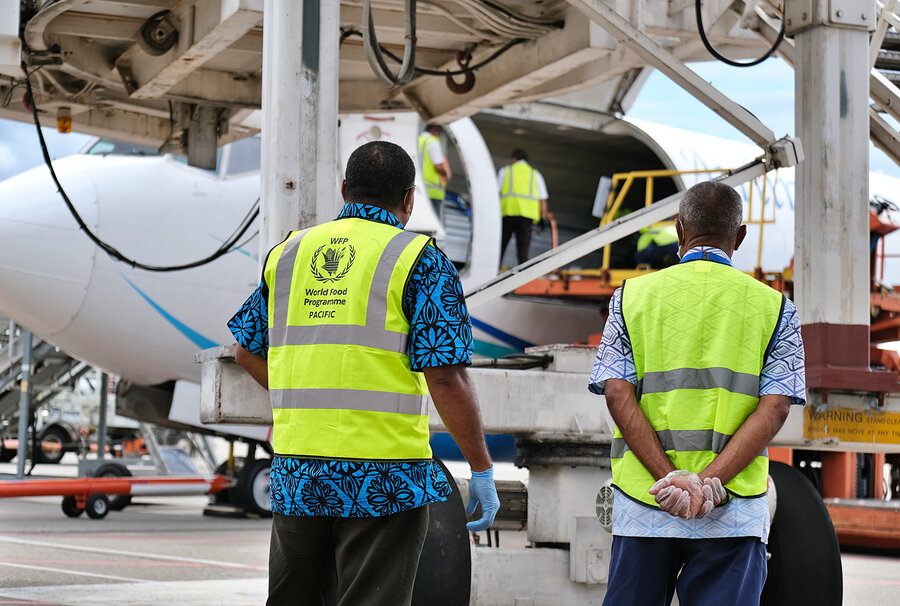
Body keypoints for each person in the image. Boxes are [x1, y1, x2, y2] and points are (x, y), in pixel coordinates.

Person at [229, 140, 499, 606]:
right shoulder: (420, 259)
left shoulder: (290, 254)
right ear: (410, 198)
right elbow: (445, 376)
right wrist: (481, 468)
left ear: (344, 189)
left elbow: (244, 351)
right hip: (384, 478)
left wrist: (302, 389)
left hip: (299, 471)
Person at [588, 180, 806, 606]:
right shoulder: (776, 307)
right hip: (732, 510)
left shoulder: (630, 298)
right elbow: (776, 408)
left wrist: (669, 479)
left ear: (679, 229)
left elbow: (617, 393)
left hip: (645, 504)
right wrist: (707, 485)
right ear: (739, 237)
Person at [497, 148, 549, 265]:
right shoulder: (535, 175)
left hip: (508, 215)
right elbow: (542, 199)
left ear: (514, 159)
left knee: (500, 249)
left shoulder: (505, 171)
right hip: (526, 219)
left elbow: (494, 193)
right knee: (523, 253)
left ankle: (492, 276)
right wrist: (543, 218)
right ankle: (521, 278)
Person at [418, 124, 451, 223]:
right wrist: (446, 174)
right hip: (433, 191)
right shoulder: (433, 142)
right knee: (431, 224)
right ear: (436, 130)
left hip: (419, 189)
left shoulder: (418, 140)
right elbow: (438, 166)